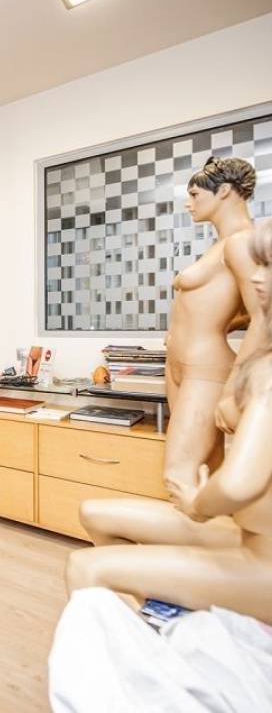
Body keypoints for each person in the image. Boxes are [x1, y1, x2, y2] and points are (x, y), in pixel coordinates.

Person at [65, 218, 272, 623]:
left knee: (83, 567)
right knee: (92, 511)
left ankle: (153, 635)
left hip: (261, 555)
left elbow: (238, 484)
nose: (256, 276)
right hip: (247, 534)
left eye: (267, 266)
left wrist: (198, 503)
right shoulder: (261, 360)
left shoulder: (267, 373)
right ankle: (160, 619)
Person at [79, 156, 264, 547]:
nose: (188, 202)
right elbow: (246, 311)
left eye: (195, 194)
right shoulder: (221, 246)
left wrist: (233, 389)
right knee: (202, 474)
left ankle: (235, 564)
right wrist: (224, 323)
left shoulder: (241, 242)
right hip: (180, 368)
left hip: (205, 370)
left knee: (178, 479)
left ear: (224, 192)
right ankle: (205, 575)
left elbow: (266, 317)